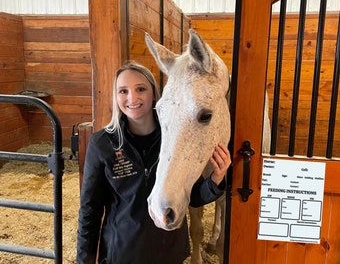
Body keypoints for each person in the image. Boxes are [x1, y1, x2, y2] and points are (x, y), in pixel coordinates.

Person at [76, 62, 231, 264]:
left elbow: (190, 197)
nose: (132, 98)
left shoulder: (177, 138)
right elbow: (90, 210)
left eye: (140, 89)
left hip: (169, 253)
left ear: (154, 94)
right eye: (123, 91)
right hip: (124, 254)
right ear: (116, 97)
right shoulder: (102, 143)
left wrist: (215, 181)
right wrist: (84, 261)